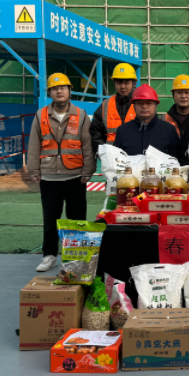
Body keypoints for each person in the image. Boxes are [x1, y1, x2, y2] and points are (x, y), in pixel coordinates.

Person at [27, 73, 95, 273]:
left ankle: (75, 257)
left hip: (75, 177)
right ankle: (49, 256)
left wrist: (88, 169)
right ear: (49, 92)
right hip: (49, 177)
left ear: (69, 91)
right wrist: (34, 170)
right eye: (55, 88)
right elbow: (34, 145)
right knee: (50, 220)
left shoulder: (81, 115)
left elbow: (87, 145)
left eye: (63, 87)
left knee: (76, 219)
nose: (59, 91)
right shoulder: (40, 115)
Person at [114, 84, 180, 158]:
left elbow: (176, 160)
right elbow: (116, 160)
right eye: (140, 103)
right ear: (134, 106)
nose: (144, 106)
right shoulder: (123, 130)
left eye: (149, 103)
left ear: (156, 106)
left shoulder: (169, 130)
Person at [89, 62, 138, 146]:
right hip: (110, 154)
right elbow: (96, 133)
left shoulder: (141, 104)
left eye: (126, 82)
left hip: (135, 153)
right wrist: (103, 151)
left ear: (134, 84)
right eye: (119, 82)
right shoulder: (105, 105)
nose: (122, 86)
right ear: (114, 83)